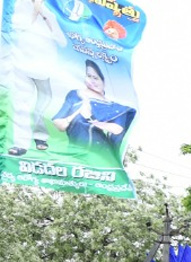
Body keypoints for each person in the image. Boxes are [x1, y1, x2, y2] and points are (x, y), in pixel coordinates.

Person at [7, 0, 67, 157]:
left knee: (41, 107)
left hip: (44, 70)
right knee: (21, 105)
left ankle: (40, 137)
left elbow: (63, 42)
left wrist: (45, 16)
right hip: (22, 65)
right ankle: (20, 144)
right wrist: (34, 12)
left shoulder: (51, 12)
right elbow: (15, 28)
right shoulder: (16, 5)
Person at [50, 59, 135, 155]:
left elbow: (117, 129)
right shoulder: (75, 95)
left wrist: (91, 118)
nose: (92, 81)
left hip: (101, 154)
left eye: (96, 78)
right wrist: (74, 115)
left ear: (104, 82)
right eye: (89, 76)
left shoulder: (115, 107)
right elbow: (59, 122)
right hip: (75, 153)